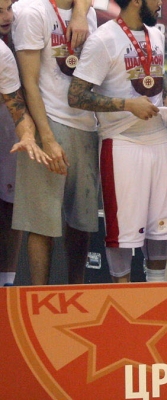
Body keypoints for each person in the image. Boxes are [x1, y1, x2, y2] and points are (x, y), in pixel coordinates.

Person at [68, 0, 167, 283]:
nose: (160, 4)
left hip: (159, 139)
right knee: (122, 233)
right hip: (121, 142)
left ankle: (157, 293)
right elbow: (76, 95)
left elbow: (156, 74)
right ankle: (124, 296)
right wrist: (127, 104)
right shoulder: (104, 39)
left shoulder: (155, 34)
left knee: (160, 229)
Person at [11, 0, 95, 285]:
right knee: (41, 221)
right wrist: (46, 138)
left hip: (86, 124)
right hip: (48, 120)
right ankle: (38, 296)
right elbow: (29, 82)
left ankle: (77, 292)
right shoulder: (32, 11)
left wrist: (81, 13)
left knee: (81, 223)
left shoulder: (89, 13)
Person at [0, 12, 45, 286]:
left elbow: (17, 109)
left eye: (8, 7)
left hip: (6, 131)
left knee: (9, 205)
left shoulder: (3, 54)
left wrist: (28, 135)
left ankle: (5, 285)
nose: (7, 16)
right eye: (0, 10)